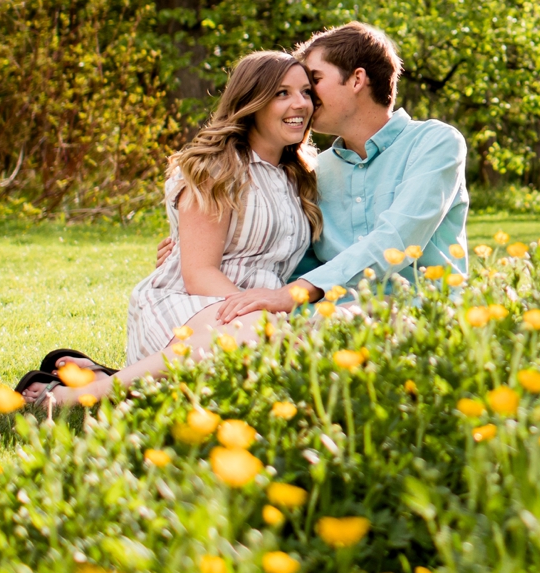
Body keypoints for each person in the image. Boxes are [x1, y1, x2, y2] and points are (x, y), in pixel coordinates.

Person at [19, 49, 320, 413]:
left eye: (306, 92)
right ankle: (85, 394)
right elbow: (198, 273)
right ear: (251, 102)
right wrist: (261, 311)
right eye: (282, 93)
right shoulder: (217, 169)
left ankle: (108, 378)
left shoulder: (299, 175)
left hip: (253, 312)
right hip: (192, 305)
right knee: (261, 339)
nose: (300, 103)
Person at [213, 21, 470, 320]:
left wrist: (291, 294)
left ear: (357, 79)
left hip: (417, 313)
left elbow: (398, 240)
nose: (306, 97)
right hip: (328, 316)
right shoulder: (315, 170)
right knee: (229, 332)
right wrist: (191, 247)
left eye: (314, 81)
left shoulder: (434, 143)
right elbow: (286, 253)